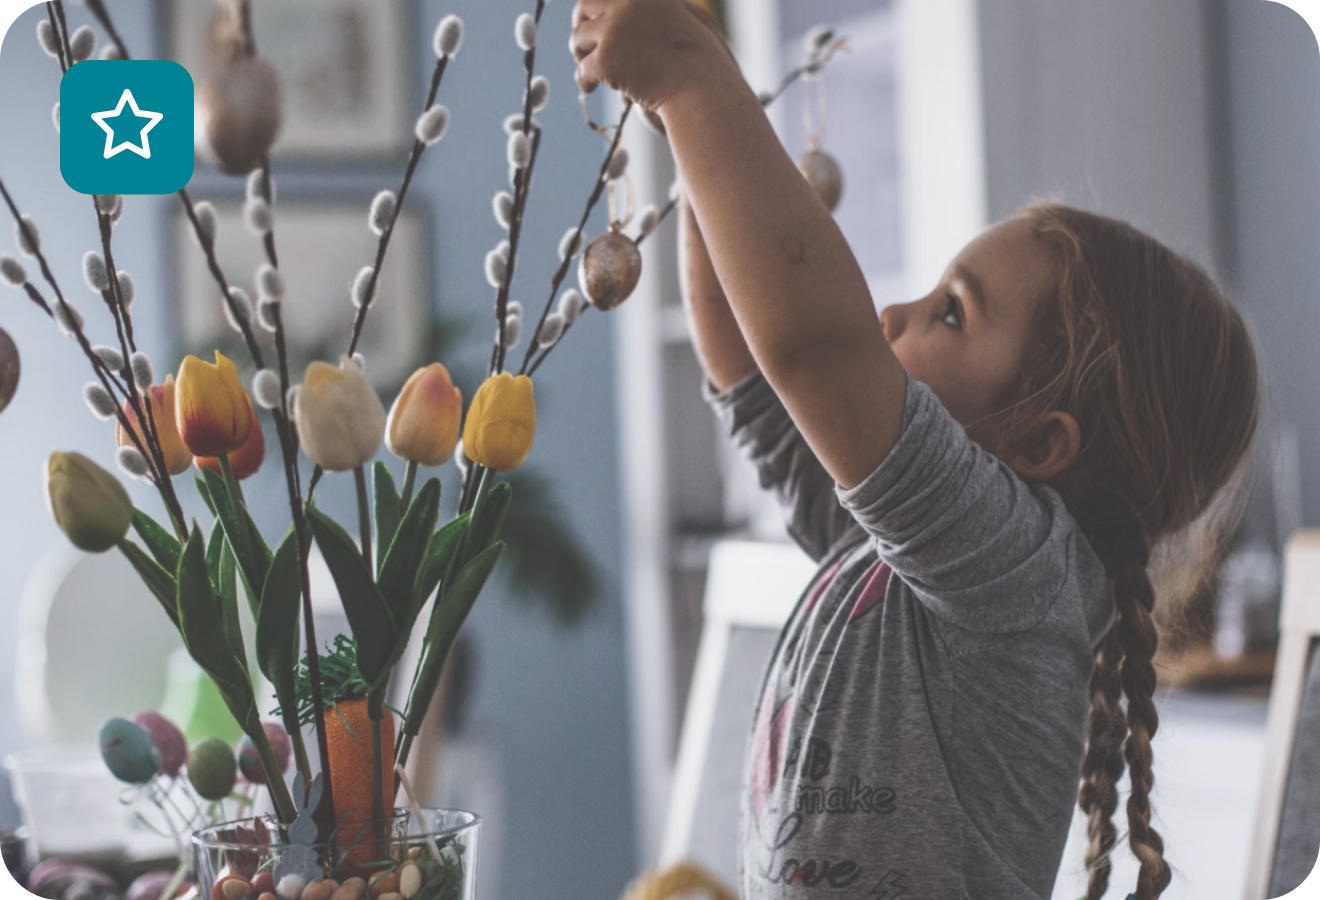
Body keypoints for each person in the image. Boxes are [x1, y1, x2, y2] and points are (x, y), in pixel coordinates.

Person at [571, 2, 1261, 898]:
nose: (894, 317)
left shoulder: (1017, 575)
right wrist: (684, 110)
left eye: (950, 313)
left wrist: (692, 77)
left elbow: (815, 353)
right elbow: (748, 363)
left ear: (1039, 443)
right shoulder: (901, 560)